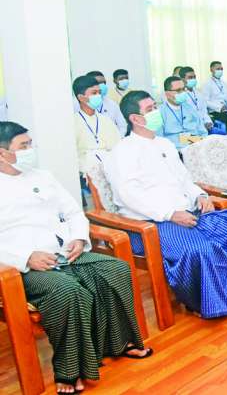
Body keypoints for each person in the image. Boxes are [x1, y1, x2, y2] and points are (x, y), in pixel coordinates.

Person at [0, 121, 152, 394]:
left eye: (30, 143)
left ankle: (119, 343)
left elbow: (72, 212)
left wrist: (79, 239)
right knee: (67, 291)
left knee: (115, 269)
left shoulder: (42, 176)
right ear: (2, 153)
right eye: (24, 146)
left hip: (63, 253)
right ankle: (69, 370)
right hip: (21, 267)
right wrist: (26, 257)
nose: (30, 150)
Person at [104, 91, 227, 318]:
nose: (157, 112)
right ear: (135, 119)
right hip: (153, 224)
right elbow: (128, 195)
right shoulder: (122, 152)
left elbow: (185, 179)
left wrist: (201, 196)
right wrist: (170, 214)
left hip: (190, 213)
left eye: (155, 106)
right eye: (150, 109)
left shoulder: (165, 144)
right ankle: (209, 304)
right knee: (200, 249)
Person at [73, 75, 121, 174]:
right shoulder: (73, 122)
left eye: (99, 92)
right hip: (85, 173)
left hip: (110, 170)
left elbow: (117, 148)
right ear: (81, 98)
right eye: (94, 93)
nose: (99, 96)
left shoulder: (106, 120)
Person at [159, 76, 208, 148]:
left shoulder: (189, 108)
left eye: (183, 89)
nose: (182, 93)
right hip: (175, 150)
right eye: (178, 90)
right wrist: (186, 142)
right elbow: (160, 140)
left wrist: (200, 142)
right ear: (167, 94)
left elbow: (202, 131)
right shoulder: (160, 113)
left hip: (196, 146)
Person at [77, 71, 127, 135]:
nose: (103, 85)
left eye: (104, 82)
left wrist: (117, 138)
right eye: (98, 83)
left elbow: (122, 126)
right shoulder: (76, 105)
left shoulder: (112, 104)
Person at [202, 60, 227, 134]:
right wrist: (219, 107)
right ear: (211, 70)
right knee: (221, 135)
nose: (220, 71)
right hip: (216, 113)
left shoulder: (224, 83)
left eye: (221, 69)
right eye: (218, 69)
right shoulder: (207, 84)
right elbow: (205, 101)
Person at [179, 66, 213, 132]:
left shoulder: (199, 93)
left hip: (204, 127)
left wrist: (208, 122)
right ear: (182, 80)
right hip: (191, 130)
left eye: (194, 77)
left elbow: (204, 111)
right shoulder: (181, 96)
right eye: (190, 77)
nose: (193, 79)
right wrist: (200, 126)